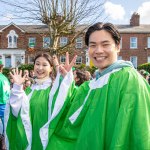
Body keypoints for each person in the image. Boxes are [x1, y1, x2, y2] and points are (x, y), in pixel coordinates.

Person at [43, 22, 150, 150]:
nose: (98, 51)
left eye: (105, 44)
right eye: (93, 45)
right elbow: (70, 115)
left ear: (117, 46)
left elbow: (138, 133)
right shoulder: (90, 85)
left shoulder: (130, 80)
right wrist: (66, 80)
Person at [5, 53, 70, 150]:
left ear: (51, 68)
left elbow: (67, 101)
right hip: (30, 142)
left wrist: (66, 78)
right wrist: (17, 88)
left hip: (49, 142)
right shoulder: (28, 91)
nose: (40, 68)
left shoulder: (54, 90)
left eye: (44, 65)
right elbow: (15, 113)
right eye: (37, 64)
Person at [0, 60, 10, 150]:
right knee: (5, 124)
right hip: (5, 104)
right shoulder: (5, 78)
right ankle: (4, 143)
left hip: (1, 103)